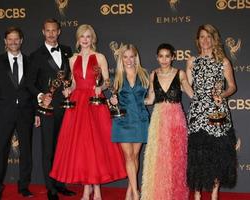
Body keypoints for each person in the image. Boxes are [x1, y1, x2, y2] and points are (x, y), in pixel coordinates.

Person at [49, 24, 127, 200]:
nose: (85, 40)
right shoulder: (72, 59)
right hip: (77, 104)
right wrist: (68, 91)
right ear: (78, 39)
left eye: (88, 37)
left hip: (95, 102)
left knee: (96, 147)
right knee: (82, 148)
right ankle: (86, 188)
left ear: (93, 39)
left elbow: (107, 81)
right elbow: (75, 83)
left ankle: (97, 188)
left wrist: (100, 87)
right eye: (82, 37)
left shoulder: (100, 57)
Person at [186, 24, 237, 200]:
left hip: (217, 112)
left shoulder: (223, 61)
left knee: (217, 154)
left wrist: (222, 94)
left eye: (209, 36)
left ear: (214, 39)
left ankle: (214, 192)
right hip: (198, 113)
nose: (205, 40)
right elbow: (188, 88)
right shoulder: (192, 61)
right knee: (198, 155)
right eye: (202, 37)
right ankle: (198, 193)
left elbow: (232, 87)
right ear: (197, 40)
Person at [26, 18, 75, 200]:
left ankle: (61, 184)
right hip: (47, 108)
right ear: (43, 32)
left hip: (66, 107)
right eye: (48, 31)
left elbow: (71, 77)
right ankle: (50, 188)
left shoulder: (68, 51)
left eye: (54, 30)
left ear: (59, 31)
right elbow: (29, 84)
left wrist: (70, 89)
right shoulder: (35, 55)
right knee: (48, 150)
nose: (51, 34)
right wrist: (41, 97)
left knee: (63, 148)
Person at [0, 27, 36, 200]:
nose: (13, 42)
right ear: (5, 41)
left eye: (16, 39)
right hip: (3, 113)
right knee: (0, 152)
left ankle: (24, 187)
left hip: (26, 113)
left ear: (21, 40)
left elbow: (35, 90)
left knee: (26, 152)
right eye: (10, 39)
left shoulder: (30, 62)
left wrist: (36, 112)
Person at [141, 43, 193, 200]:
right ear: (157, 57)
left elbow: (191, 93)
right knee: (158, 158)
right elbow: (150, 99)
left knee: (177, 159)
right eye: (161, 56)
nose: (164, 59)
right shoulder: (153, 75)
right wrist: (131, 100)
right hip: (158, 119)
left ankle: (175, 195)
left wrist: (210, 97)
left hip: (176, 119)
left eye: (167, 56)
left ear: (173, 57)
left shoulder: (180, 74)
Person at [109, 44, 149, 200]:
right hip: (123, 121)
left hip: (140, 119)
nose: (128, 60)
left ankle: (129, 191)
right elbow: (114, 101)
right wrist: (112, 101)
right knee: (129, 157)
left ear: (136, 57)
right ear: (121, 59)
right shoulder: (117, 77)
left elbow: (150, 98)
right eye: (125, 57)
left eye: (131, 56)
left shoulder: (144, 74)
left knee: (135, 156)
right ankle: (136, 193)